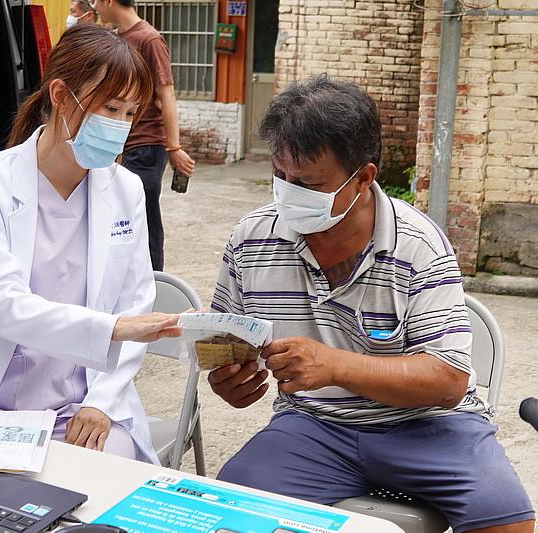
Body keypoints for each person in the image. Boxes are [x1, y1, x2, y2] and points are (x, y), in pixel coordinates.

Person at [207, 75, 535, 533]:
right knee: (230, 513)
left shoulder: (418, 244)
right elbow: (229, 339)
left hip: (429, 426)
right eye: (279, 176)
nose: (287, 194)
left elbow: (448, 381)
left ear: (363, 177)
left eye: (306, 183)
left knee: (507, 522)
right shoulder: (252, 239)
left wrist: (335, 366)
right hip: (313, 424)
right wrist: (231, 381)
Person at [0, 24, 181, 464]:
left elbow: (135, 299)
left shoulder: (124, 189)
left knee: (97, 490)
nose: (120, 127)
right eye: (110, 109)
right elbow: (3, 305)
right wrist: (114, 327)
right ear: (62, 95)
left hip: (82, 405)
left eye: (130, 114)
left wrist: (102, 402)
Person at [93, 0, 195, 272]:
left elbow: (167, 94)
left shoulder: (149, 39)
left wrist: (174, 148)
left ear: (109, 1)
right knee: (122, 219)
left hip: (147, 144)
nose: (94, 7)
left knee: (144, 219)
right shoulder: (115, 39)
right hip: (123, 144)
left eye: (95, 1)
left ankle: (154, 285)